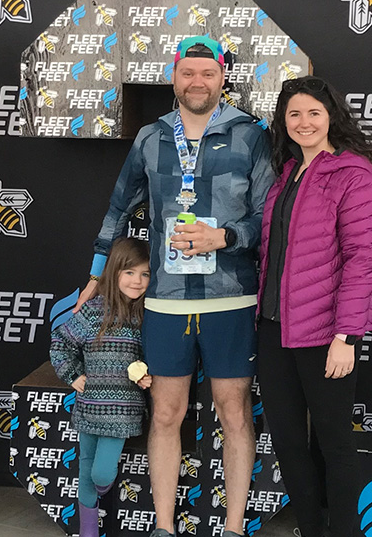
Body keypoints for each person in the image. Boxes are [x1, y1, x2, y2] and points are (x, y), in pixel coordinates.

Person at [73, 35, 273, 537]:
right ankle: (164, 527)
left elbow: (269, 218)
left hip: (232, 296)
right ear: (174, 77)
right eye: (188, 72)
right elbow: (120, 207)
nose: (197, 82)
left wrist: (224, 236)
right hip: (166, 300)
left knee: (233, 412)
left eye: (207, 73)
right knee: (165, 412)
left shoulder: (252, 134)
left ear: (223, 77)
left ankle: (232, 528)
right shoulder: (150, 137)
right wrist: (97, 273)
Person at [256, 75, 372, 537]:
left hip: (325, 334)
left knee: (334, 444)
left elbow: (361, 259)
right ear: (284, 121)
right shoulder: (287, 173)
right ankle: (311, 529)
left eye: (313, 112)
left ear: (331, 115)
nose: (304, 121)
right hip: (274, 329)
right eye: (294, 113)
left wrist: (346, 336)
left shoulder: (352, 173)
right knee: (290, 443)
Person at [50, 237, 154, 537]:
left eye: (145, 274)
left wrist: (148, 376)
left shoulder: (147, 315)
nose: (137, 281)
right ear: (114, 272)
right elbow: (61, 342)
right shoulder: (94, 310)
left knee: (101, 472)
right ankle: (88, 532)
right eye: (130, 272)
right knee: (85, 469)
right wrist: (72, 375)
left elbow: (157, 357)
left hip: (122, 413)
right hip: (89, 408)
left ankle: (102, 491)